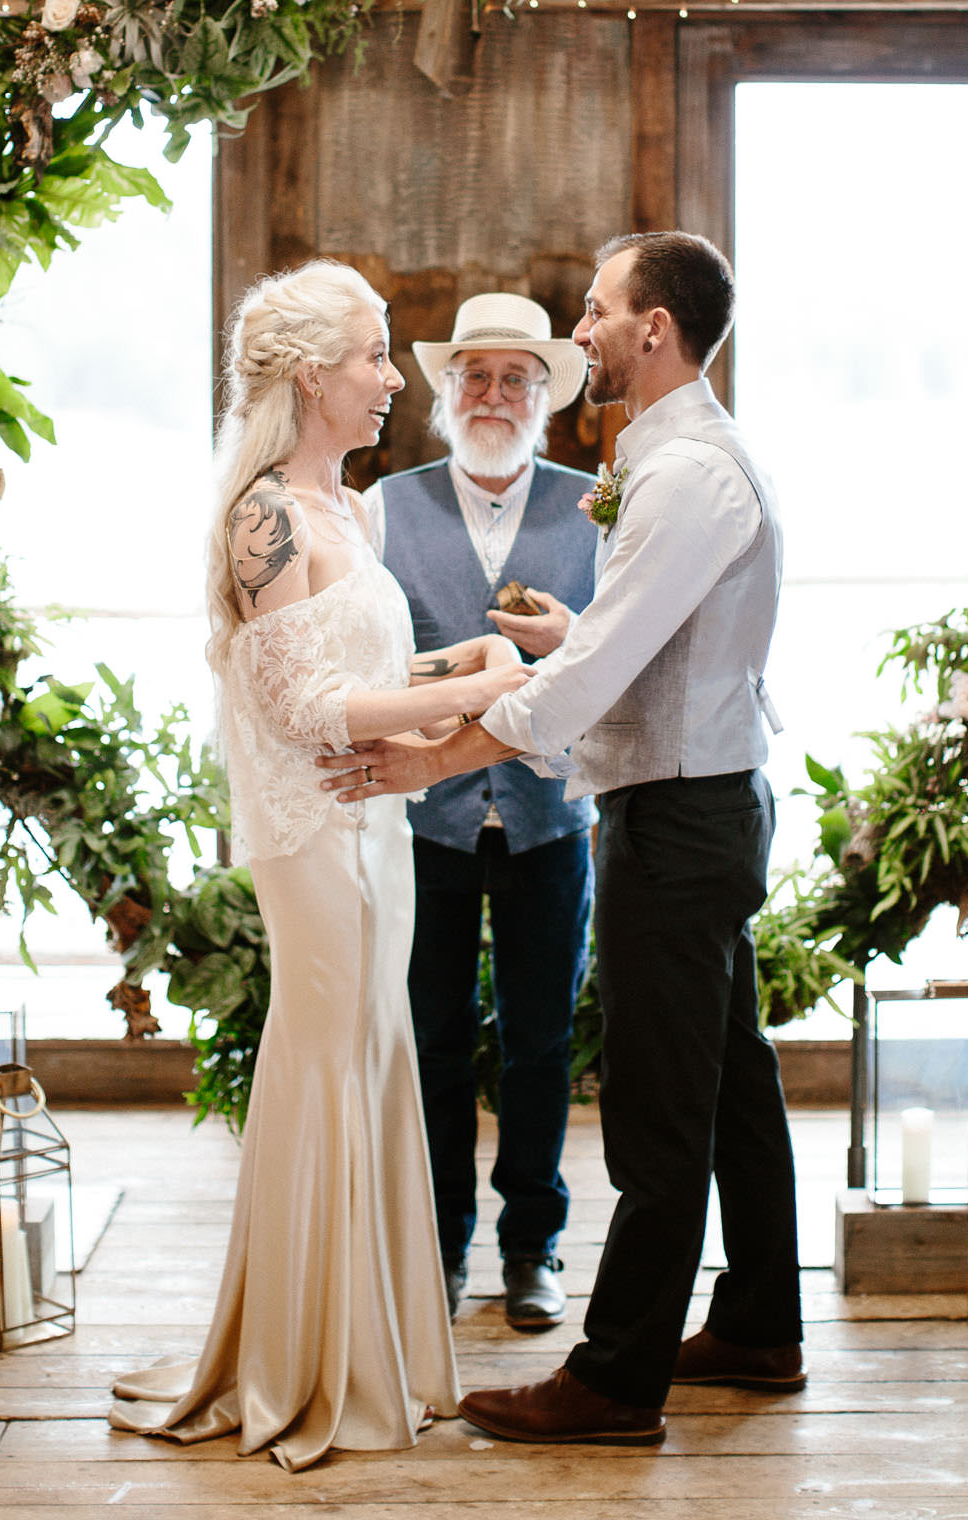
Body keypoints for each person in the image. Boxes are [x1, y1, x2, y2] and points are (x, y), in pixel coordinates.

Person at [318, 231, 803, 1447]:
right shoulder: (672, 459)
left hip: (677, 815)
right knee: (734, 1078)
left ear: (654, 327)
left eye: (594, 310)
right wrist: (564, 642)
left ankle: (616, 1376)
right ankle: (756, 1321)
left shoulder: (688, 474)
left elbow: (589, 688)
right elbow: (634, 645)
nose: (578, 331)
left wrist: (439, 752)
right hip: (695, 797)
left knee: (656, 1104)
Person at [110, 261, 528, 1472]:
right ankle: (305, 1361)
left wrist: (468, 660)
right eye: (374, 354)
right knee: (328, 1056)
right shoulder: (264, 517)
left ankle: (376, 1345)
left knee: (376, 1055)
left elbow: (365, 661)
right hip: (315, 834)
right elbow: (303, 703)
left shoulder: (342, 506)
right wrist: (488, 688)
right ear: (310, 374)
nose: (393, 376)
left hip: (377, 832)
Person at [362, 293, 596, 1332]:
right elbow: (360, 662)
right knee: (433, 1034)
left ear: (547, 396)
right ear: (444, 388)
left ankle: (531, 1243)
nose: (493, 394)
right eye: (475, 375)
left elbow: (616, 662)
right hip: (426, 823)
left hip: (552, 819)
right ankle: (442, 1238)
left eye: (516, 377)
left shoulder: (600, 506)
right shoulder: (381, 506)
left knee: (542, 1039)